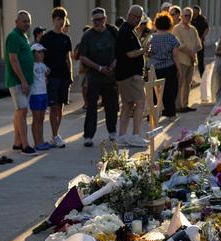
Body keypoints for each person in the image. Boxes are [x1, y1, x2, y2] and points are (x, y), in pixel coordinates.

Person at [78, 8, 119, 147]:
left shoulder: (112, 32)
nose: (98, 22)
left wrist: (113, 65)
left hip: (110, 76)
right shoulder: (88, 36)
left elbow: (119, 51)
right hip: (94, 76)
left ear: (105, 19)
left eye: (100, 19)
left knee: (111, 106)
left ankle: (112, 131)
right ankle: (88, 136)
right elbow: (82, 56)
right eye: (95, 20)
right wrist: (99, 68)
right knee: (91, 108)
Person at [116, 5, 150, 148]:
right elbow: (129, 53)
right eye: (135, 17)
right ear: (129, 15)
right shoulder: (126, 31)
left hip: (126, 74)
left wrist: (141, 51)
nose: (137, 20)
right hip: (130, 75)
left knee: (128, 105)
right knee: (140, 102)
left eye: (139, 17)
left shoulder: (128, 30)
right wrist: (144, 50)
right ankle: (135, 136)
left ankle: (122, 136)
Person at [5, 10, 36, 155]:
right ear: (16, 22)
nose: (27, 23)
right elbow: (13, 60)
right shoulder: (13, 36)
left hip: (26, 81)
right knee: (22, 111)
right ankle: (25, 145)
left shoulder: (24, 36)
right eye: (24, 20)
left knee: (20, 112)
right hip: (17, 81)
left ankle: (17, 142)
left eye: (28, 21)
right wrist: (23, 81)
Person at [41, 6, 72, 148]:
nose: (61, 22)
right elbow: (40, 58)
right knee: (53, 107)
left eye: (63, 19)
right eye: (59, 19)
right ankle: (54, 135)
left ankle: (56, 134)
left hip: (64, 76)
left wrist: (70, 75)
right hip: (51, 77)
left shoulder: (66, 38)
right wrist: (43, 74)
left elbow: (68, 58)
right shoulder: (46, 38)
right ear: (53, 20)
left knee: (60, 107)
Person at [149, 12, 183, 118]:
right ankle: (170, 113)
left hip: (153, 68)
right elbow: (175, 55)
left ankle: (153, 115)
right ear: (169, 24)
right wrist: (179, 69)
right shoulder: (172, 38)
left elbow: (146, 53)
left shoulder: (151, 38)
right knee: (170, 91)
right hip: (169, 68)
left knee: (154, 92)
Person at [172, 7, 201, 112]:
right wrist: (190, 53)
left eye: (190, 16)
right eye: (186, 15)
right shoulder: (176, 28)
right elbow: (179, 44)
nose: (187, 17)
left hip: (191, 61)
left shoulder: (193, 29)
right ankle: (178, 106)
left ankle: (185, 105)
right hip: (181, 60)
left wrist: (194, 52)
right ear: (181, 16)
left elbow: (199, 45)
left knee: (188, 84)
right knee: (179, 83)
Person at [29, 44, 51, 151]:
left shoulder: (42, 65)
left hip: (43, 93)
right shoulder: (30, 65)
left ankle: (41, 140)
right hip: (35, 94)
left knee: (41, 118)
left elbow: (46, 73)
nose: (41, 54)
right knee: (36, 118)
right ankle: (36, 142)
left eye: (42, 52)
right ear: (33, 54)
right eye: (38, 52)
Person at [191, 5, 209, 78]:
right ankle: (191, 77)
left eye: (196, 11)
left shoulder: (202, 19)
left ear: (199, 11)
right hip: (191, 42)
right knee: (191, 60)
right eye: (194, 10)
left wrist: (203, 37)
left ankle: (203, 76)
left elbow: (207, 28)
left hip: (200, 41)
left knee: (200, 60)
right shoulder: (190, 18)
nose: (195, 12)